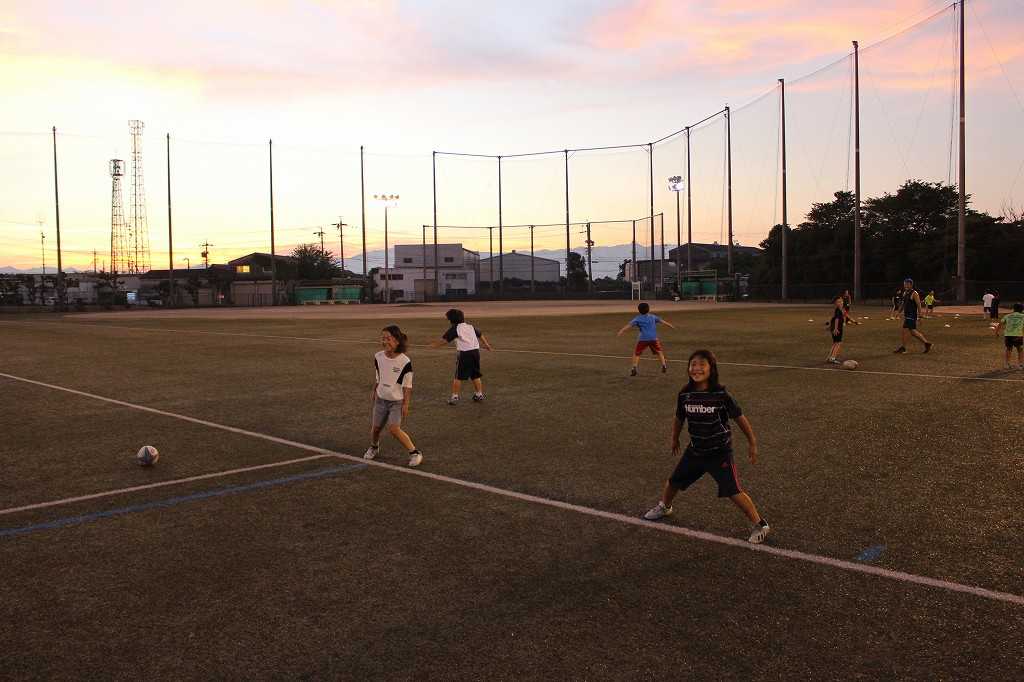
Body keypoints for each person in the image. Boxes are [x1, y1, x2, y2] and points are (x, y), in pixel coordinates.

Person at [642, 349, 770, 544]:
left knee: (733, 490)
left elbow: (739, 418)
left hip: (719, 453)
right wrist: (674, 438)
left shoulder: (721, 394)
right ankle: (665, 507)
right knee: (674, 482)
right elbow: (679, 418)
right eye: (693, 364)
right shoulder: (685, 394)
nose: (697, 368)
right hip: (695, 450)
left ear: (711, 369)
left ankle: (760, 524)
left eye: (702, 364)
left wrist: (752, 442)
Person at [365, 325, 423, 467]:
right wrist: (374, 390)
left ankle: (415, 453)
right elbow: (378, 376)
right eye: (383, 338)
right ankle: (374, 447)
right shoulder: (378, 356)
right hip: (381, 399)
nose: (384, 341)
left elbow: (407, 385)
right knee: (376, 428)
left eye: (388, 338)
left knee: (394, 429)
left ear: (397, 340)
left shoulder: (405, 361)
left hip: (396, 402)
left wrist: (406, 404)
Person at [430, 308, 493, 405]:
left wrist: (434, 346)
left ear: (452, 320)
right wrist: (486, 344)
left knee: (458, 376)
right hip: (475, 353)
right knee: (475, 375)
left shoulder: (455, 328)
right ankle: (479, 394)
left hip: (465, 354)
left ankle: (454, 397)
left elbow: (445, 340)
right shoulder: (470, 326)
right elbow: (480, 334)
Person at [616, 302, 676, 376]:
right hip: (653, 338)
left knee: (637, 353)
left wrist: (621, 331)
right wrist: (670, 325)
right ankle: (664, 365)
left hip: (643, 339)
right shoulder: (653, 317)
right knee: (659, 351)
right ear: (648, 309)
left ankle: (634, 368)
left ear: (639, 310)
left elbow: (629, 325)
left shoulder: (637, 319)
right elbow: (662, 321)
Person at [894, 278, 933, 354]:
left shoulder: (914, 293)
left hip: (911, 316)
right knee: (913, 332)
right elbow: (903, 303)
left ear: (911, 285)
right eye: (905, 284)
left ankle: (903, 348)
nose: (905, 286)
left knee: (904, 330)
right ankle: (927, 344)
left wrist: (920, 316)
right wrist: (899, 311)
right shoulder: (905, 293)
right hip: (907, 315)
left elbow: (919, 305)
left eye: (907, 284)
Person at [995, 302, 1024, 369]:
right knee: (1020, 349)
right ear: (1022, 309)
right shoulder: (1023, 316)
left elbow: (1000, 324)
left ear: (1013, 309)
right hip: (1018, 335)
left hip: (1008, 335)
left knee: (1009, 349)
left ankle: (1007, 364)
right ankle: (1020, 364)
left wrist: (996, 332)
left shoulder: (1007, 316)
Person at [827, 295, 845, 364]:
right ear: (835, 303)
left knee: (835, 343)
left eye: (841, 301)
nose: (841, 303)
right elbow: (836, 319)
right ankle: (833, 358)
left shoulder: (839, 310)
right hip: (837, 329)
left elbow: (833, 318)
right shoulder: (838, 310)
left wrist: (830, 326)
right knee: (838, 343)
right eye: (838, 302)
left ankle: (829, 357)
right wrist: (835, 328)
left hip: (835, 328)